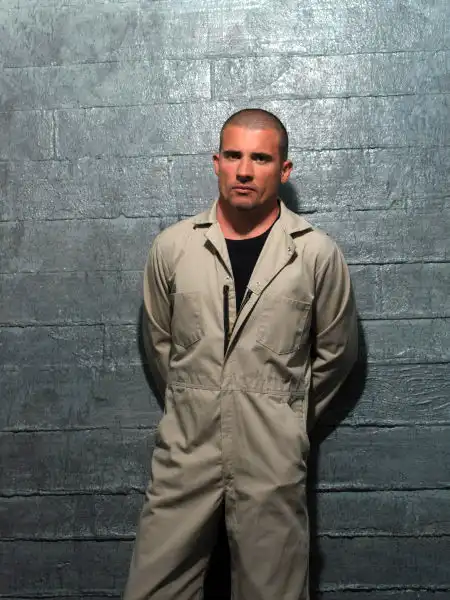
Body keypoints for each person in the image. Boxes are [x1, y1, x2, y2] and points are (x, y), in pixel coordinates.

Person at [124, 109, 358, 600]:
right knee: (153, 588)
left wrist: (284, 415)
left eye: (260, 158)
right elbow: (161, 346)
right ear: (217, 163)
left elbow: (337, 353)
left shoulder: (315, 254)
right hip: (186, 452)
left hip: (272, 458)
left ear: (284, 169)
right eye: (233, 156)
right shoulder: (173, 248)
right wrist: (200, 399)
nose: (245, 171)